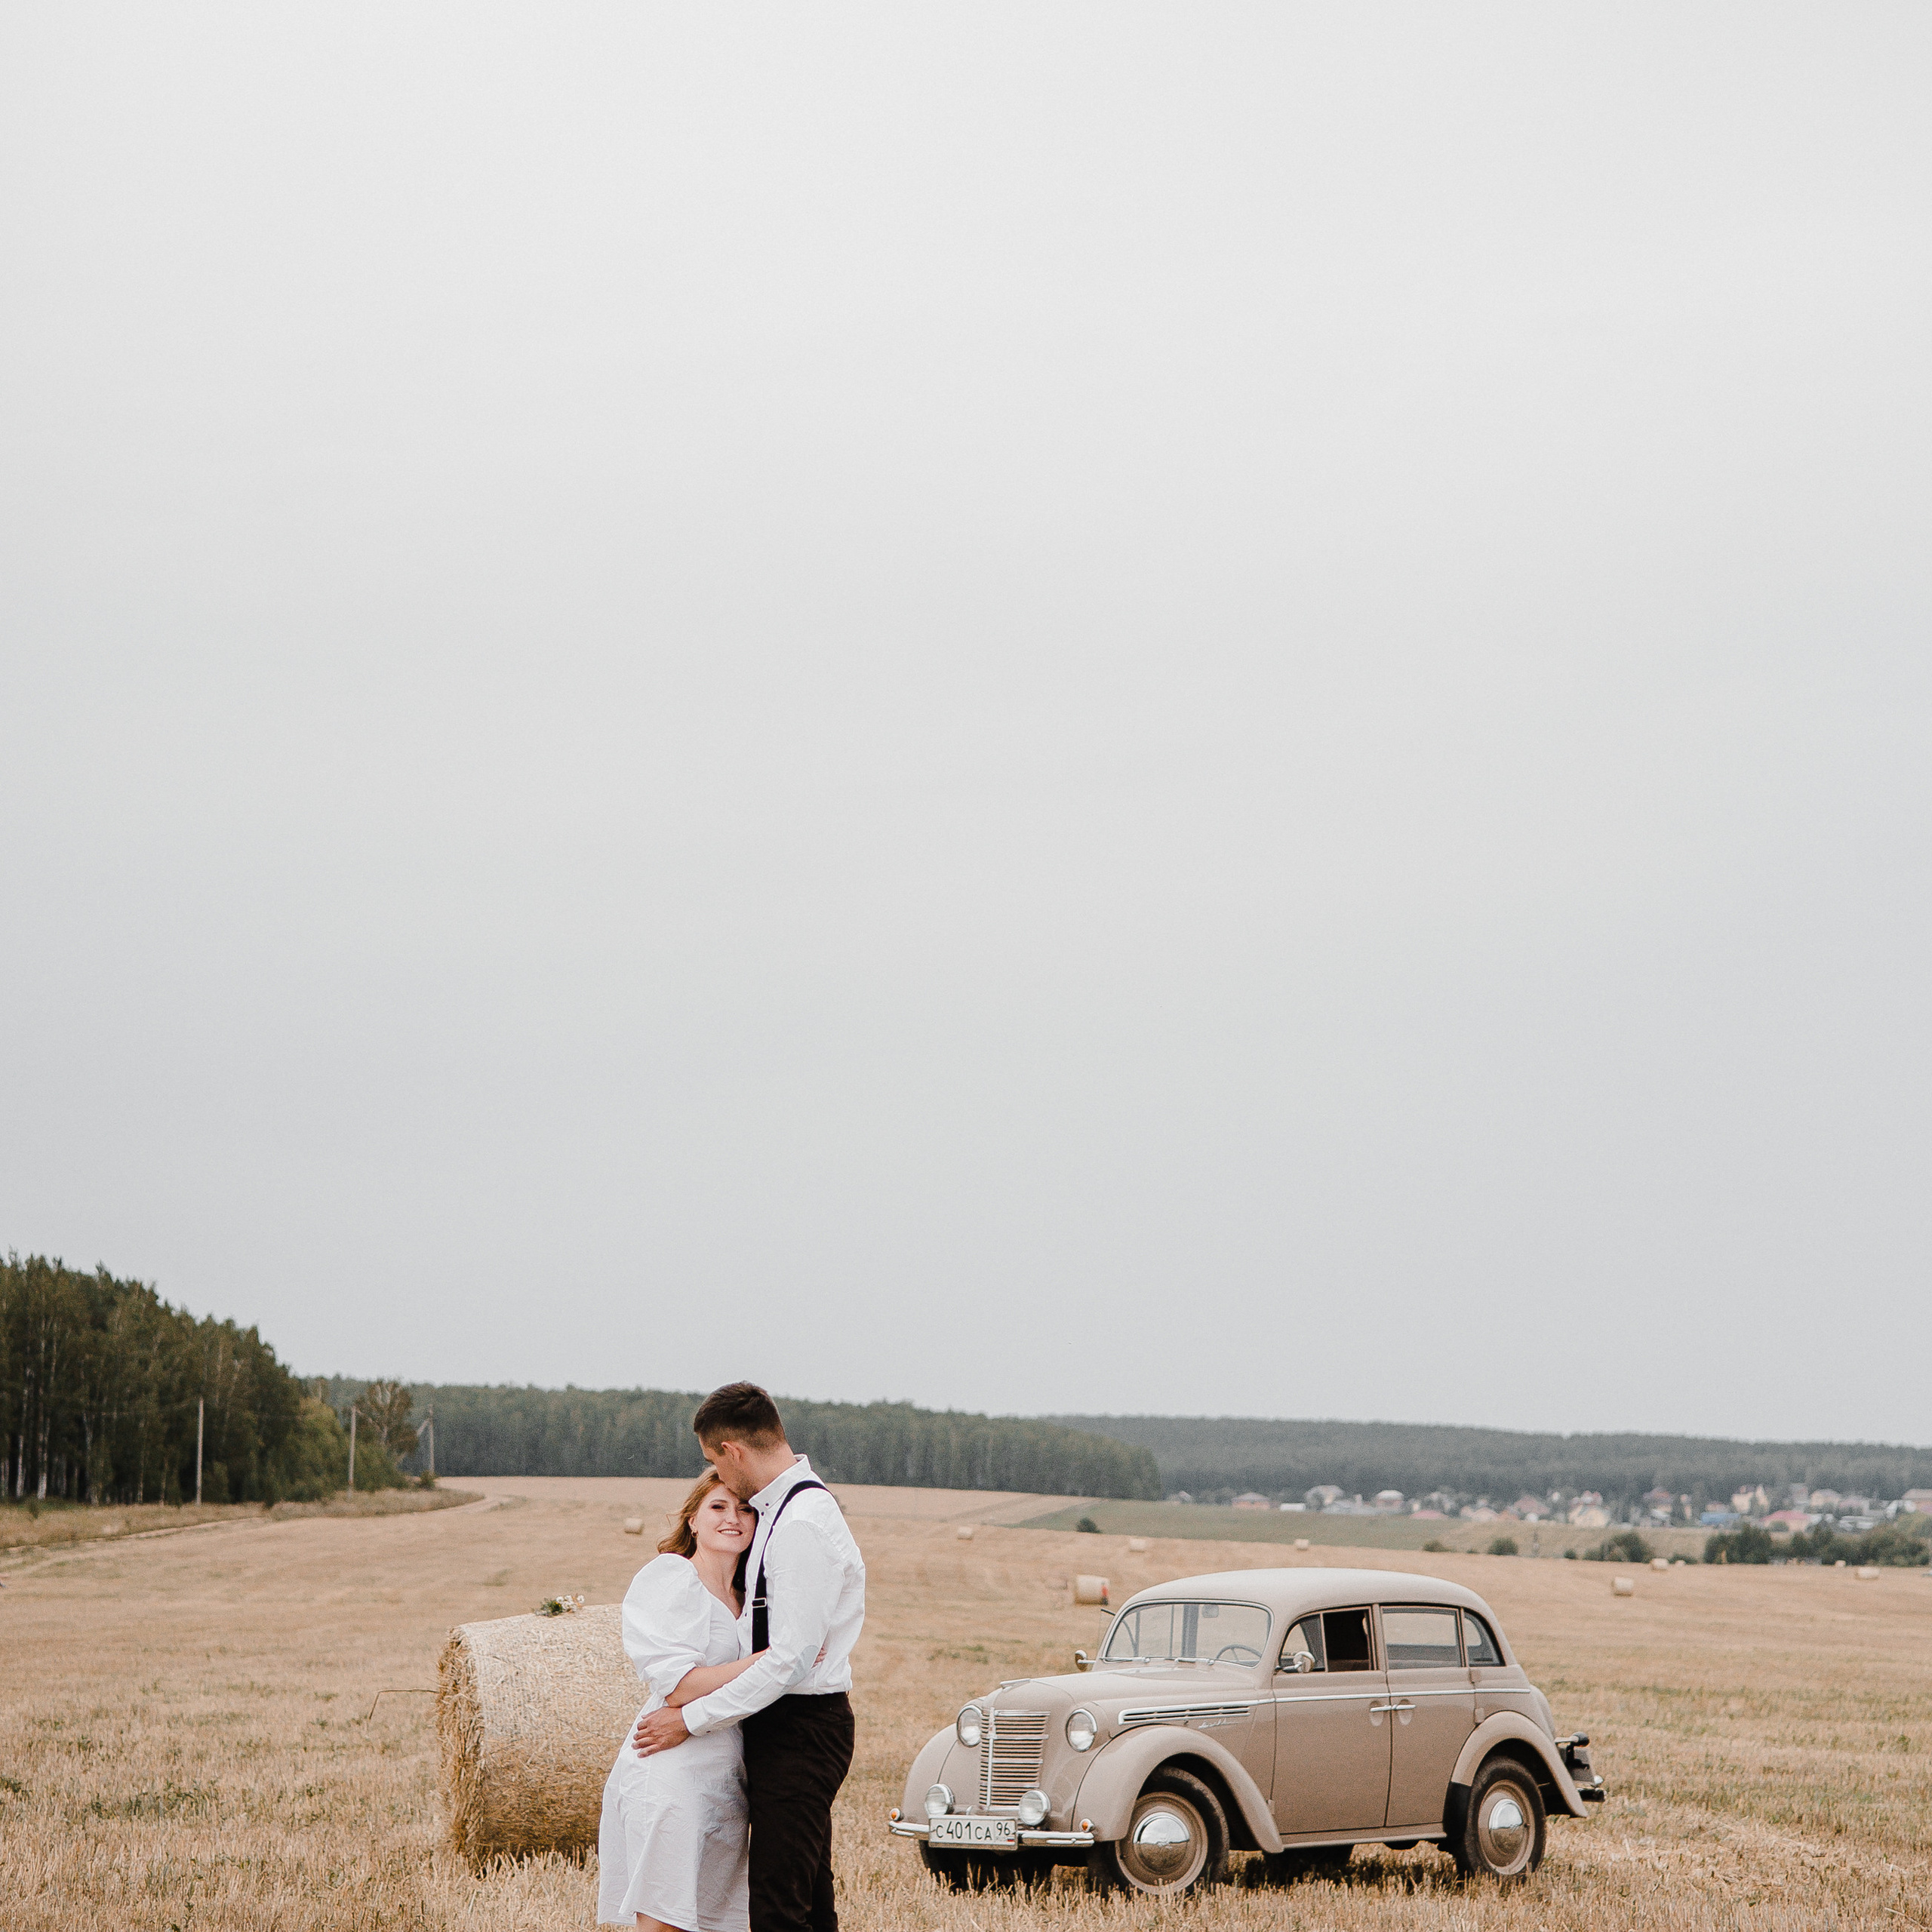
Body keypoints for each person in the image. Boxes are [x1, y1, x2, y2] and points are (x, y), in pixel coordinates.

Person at [632, 1383, 866, 1932]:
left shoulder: (801, 1522)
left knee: (778, 1906)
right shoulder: (782, 1512)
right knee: (806, 1895)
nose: (718, 1473)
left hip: (802, 1726)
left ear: (732, 1451)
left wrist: (689, 1720)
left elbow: (789, 1662)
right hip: (780, 1723)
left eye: (713, 1459)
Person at [598, 1472, 766, 1932]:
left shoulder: (749, 1597)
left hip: (727, 1777)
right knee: (664, 1920)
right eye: (718, 1507)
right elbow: (678, 1686)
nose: (733, 1518)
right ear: (692, 1519)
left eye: (745, 1509)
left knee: (714, 1920)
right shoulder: (672, 1576)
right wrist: (772, 1661)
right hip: (669, 1767)